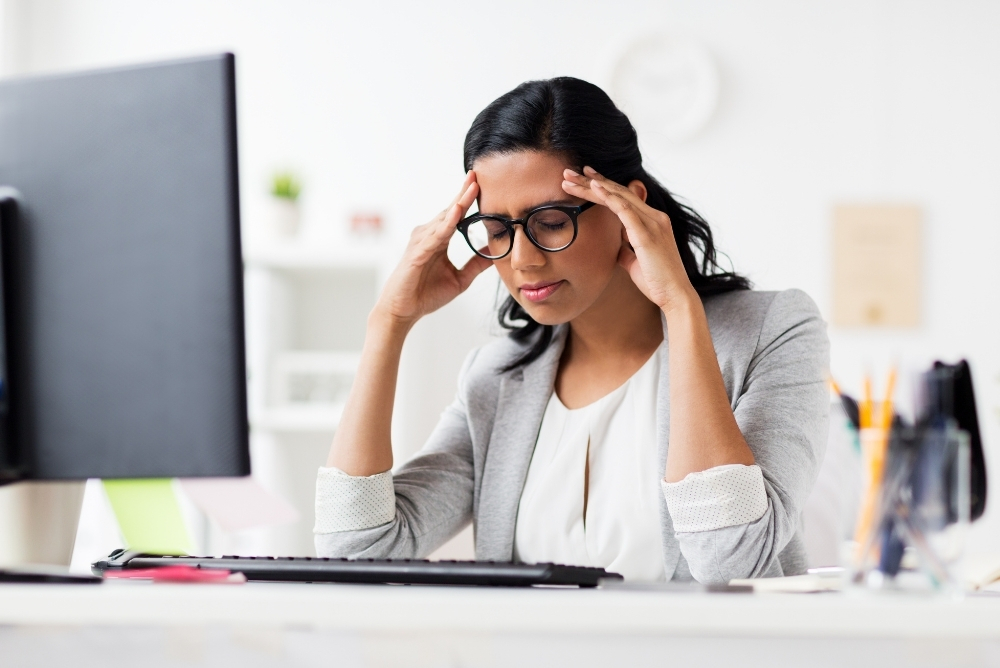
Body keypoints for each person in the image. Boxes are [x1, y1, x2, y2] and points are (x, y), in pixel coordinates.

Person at [314, 77, 829, 583]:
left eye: (552, 221)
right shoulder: (496, 381)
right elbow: (354, 548)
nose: (522, 259)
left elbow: (731, 561)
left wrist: (679, 306)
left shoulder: (772, 332)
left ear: (626, 205)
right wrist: (388, 324)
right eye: (496, 231)